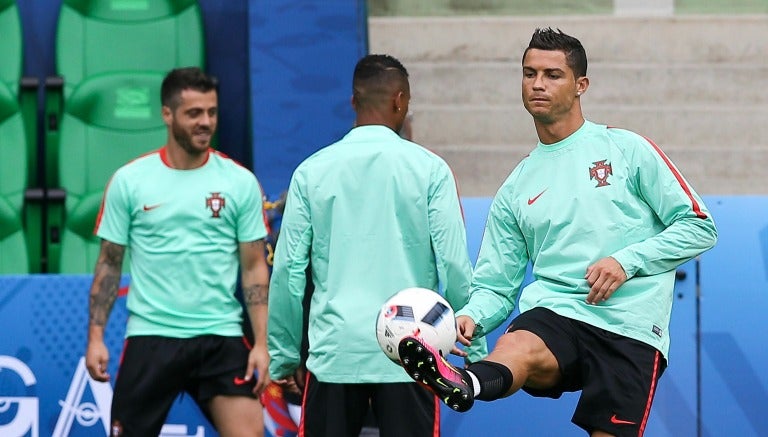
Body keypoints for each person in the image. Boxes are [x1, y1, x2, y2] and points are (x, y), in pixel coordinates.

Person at [397, 27, 718, 437]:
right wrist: (471, 316)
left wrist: (626, 261)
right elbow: (496, 285)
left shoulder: (626, 149)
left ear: (580, 85)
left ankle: (473, 380)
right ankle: (467, 382)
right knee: (519, 344)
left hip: (632, 329)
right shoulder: (516, 187)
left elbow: (700, 226)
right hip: (558, 315)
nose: (537, 84)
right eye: (529, 74)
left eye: (552, 75)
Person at [267, 54, 487, 437]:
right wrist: (476, 347)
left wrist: (284, 356)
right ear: (400, 101)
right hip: (413, 353)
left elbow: (287, 274)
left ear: (353, 102)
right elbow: (453, 265)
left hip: (336, 354)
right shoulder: (430, 170)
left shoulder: (311, 171)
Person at [84, 67, 271, 437]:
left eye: (211, 112)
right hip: (151, 336)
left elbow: (253, 268)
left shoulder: (240, 182)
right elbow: (109, 263)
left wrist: (262, 344)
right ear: (167, 115)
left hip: (220, 336)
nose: (206, 122)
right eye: (194, 113)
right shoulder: (130, 181)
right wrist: (95, 338)